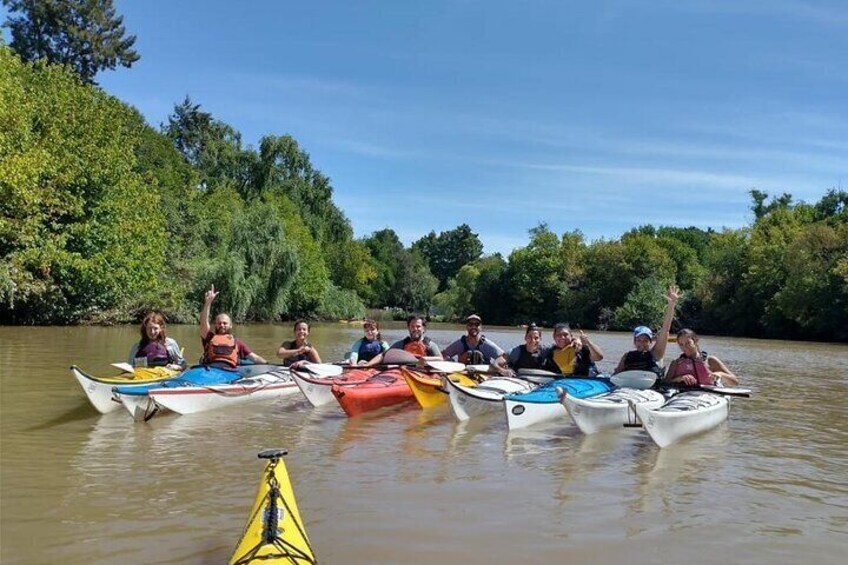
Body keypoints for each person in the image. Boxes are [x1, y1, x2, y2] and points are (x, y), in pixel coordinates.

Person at [613, 285, 681, 376]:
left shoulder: (656, 353)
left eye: (645, 340)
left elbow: (665, 329)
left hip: (651, 389)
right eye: (639, 340)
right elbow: (617, 374)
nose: (642, 343)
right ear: (634, 341)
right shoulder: (627, 356)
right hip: (629, 388)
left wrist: (671, 304)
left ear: (650, 342)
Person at [199, 285, 267, 367]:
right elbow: (203, 322)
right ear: (215, 325)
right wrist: (208, 303)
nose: (222, 325)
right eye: (219, 323)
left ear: (231, 325)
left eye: (225, 323)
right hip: (210, 369)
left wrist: (269, 365)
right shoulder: (209, 337)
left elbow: (254, 358)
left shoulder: (237, 343)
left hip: (229, 371)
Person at [663, 329, 739, 387]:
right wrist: (679, 378)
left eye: (688, 343)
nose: (684, 347)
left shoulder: (711, 361)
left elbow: (735, 382)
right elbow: (665, 384)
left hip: (708, 397)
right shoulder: (675, 363)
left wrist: (720, 374)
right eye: (681, 344)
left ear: (695, 341)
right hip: (684, 396)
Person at [365, 314, 441, 366]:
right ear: (408, 328)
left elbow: (440, 359)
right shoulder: (401, 344)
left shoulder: (430, 345)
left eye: (418, 326)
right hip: (404, 374)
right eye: (412, 326)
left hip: (422, 373)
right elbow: (383, 355)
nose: (415, 329)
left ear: (423, 328)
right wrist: (368, 365)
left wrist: (426, 359)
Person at [441, 314, 506, 365]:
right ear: (467, 327)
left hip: (483, 375)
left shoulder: (486, 344)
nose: (473, 327)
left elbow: (503, 357)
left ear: (480, 327)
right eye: (470, 324)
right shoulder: (459, 344)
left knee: (477, 353)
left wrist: (496, 365)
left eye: (477, 324)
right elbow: (444, 354)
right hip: (463, 376)